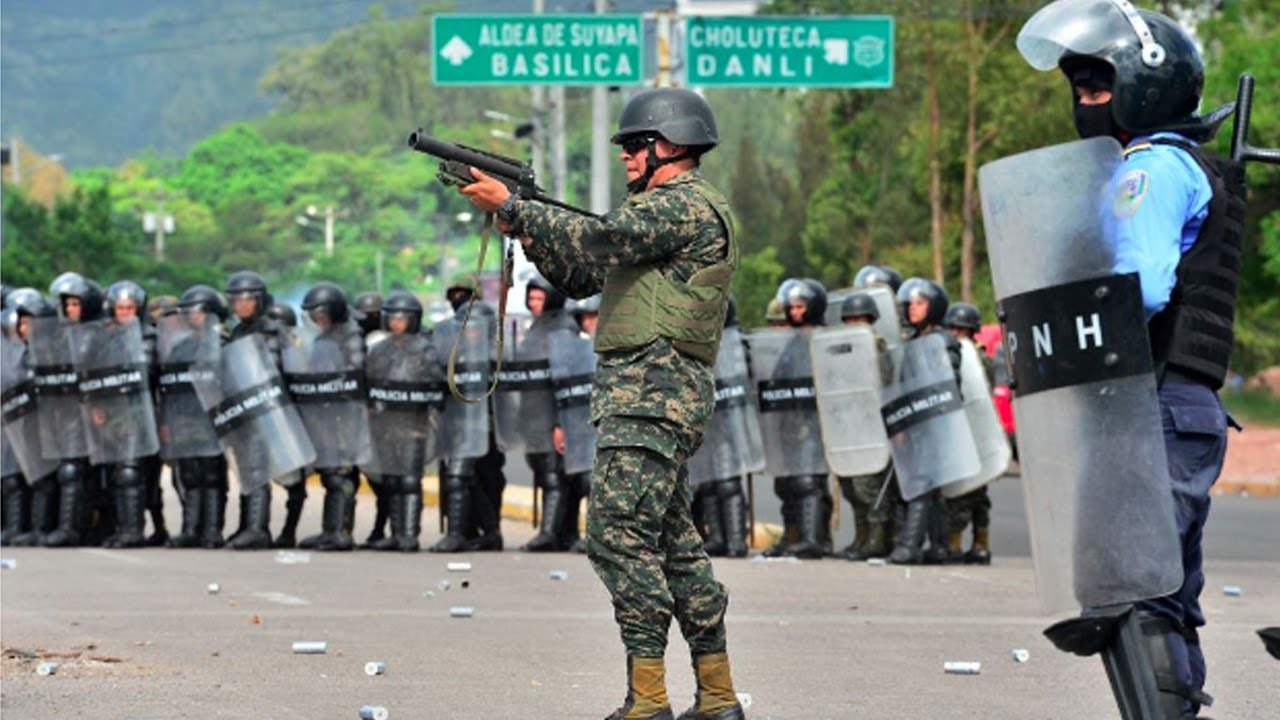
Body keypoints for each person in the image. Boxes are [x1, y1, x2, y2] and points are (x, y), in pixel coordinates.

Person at [461, 86, 746, 720]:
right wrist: (521, 225)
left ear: (670, 147)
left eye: (634, 145)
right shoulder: (661, 213)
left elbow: (600, 240)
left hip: (652, 396)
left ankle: (649, 700)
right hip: (652, 398)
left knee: (615, 537)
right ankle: (718, 694)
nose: (624, 156)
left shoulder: (684, 207)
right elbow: (582, 274)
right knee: (673, 545)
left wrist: (517, 204)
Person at [1016, 3, 1247, 717]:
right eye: (1080, 89)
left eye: (1096, 88)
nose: (1084, 104)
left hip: (1156, 402)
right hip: (1182, 404)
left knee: (1141, 588)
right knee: (1162, 594)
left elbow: (1139, 289)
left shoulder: (1148, 169)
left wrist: (1060, 313)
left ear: (1144, 90)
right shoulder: (1183, 164)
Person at [888, 278, 959, 566]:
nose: (913, 308)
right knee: (930, 487)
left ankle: (909, 546)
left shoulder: (943, 341)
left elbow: (948, 384)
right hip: (915, 424)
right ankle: (939, 546)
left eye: (920, 303)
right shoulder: (914, 341)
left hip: (936, 424)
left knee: (921, 483)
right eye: (911, 303)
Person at [833, 291, 896, 561]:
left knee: (869, 484)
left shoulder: (877, 346)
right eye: (850, 320)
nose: (855, 324)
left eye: (860, 319)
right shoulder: (839, 347)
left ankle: (878, 538)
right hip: (848, 425)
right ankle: (861, 536)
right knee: (849, 484)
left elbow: (885, 380)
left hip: (871, 425)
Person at [942, 302, 995, 564]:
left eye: (961, 330)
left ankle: (968, 544)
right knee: (970, 494)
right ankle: (974, 544)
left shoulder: (979, 358)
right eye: (953, 329)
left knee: (969, 494)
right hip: (961, 431)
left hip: (976, 431)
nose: (957, 334)